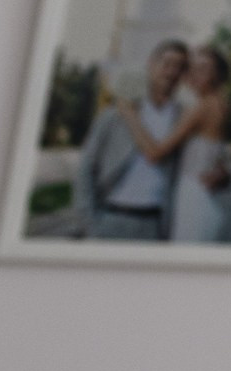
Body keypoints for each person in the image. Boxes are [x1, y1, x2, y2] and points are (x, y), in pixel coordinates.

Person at [71, 39, 190, 241]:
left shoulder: (183, 118)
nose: (172, 72)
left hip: (154, 224)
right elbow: (86, 168)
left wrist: (222, 174)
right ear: (151, 64)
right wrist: (90, 226)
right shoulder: (116, 114)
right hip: (110, 218)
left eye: (180, 67)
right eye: (167, 63)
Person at [116, 44, 231, 244]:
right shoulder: (221, 104)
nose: (194, 75)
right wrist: (223, 173)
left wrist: (129, 113)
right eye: (191, 68)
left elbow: (155, 154)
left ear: (217, 75)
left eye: (203, 69)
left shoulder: (200, 107)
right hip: (203, 195)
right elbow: (217, 154)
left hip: (193, 197)